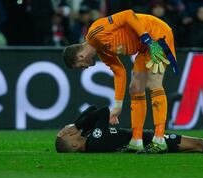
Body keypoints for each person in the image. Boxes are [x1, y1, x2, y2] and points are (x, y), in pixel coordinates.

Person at [63, 9, 178, 154]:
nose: (85, 67)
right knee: (136, 88)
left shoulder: (95, 32)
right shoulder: (102, 51)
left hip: (156, 35)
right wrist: (117, 107)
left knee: (154, 82)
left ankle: (159, 140)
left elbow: (127, 15)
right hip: (144, 48)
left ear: (80, 56)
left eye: (81, 66)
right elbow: (119, 72)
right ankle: (136, 141)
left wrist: (146, 38)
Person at [55, 105, 203, 154]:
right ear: (74, 145)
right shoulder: (95, 142)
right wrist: (76, 124)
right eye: (72, 135)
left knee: (197, 145)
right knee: (198, 145)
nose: (74, 132)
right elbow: (102, 111)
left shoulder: (90, 138)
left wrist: (76, 124)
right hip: (150, 142)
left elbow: (91, 109)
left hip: (146, 138)